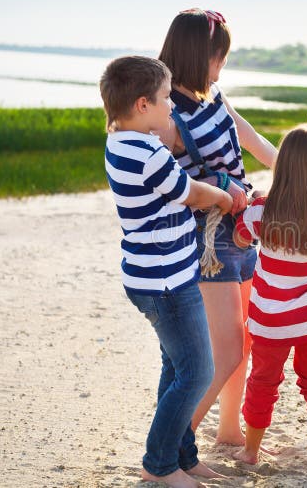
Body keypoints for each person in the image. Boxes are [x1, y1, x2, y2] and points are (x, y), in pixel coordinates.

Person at [100, 55, 232, 487]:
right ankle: (159, 466)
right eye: (163, 99)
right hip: (167, 282)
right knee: (198, 372)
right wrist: (224, 197)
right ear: (142, 105)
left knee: (177, 368)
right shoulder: (148, 151)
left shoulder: (119, 141)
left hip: (152, 276)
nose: (171, 107)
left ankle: (183, 455)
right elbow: (190, 193)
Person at [157, 9, 278, 445]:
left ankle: (227, 431)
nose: (222, 63)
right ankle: (171, 445)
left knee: (242, 341)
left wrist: (299, 172)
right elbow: (170, 185)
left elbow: (256, 142)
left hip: (243, 228)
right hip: (205, 239)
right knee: (223, 351)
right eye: (219, 55)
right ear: (197, 53)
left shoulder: (214, 95)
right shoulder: (168, 115)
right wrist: (219, 185)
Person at [232, 127, 307, 465]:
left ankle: (250, 451)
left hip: (272, 319)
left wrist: (253, 201)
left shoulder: (262, 211)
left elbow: (239, 239)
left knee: (263, 381)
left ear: (284, 167)